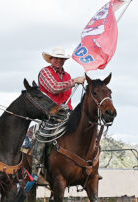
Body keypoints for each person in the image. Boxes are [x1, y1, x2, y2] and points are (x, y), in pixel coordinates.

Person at [31, 47, 85, 185]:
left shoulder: (66, 76)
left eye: (62, 59)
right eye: (57, 58)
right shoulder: (45, 72)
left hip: (67, 112)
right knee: (42, 136)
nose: (59, 61)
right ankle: (36, 171)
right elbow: (54, 87)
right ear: (51, 59)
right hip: (49, 112)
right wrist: (74, 81)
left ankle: (87, 166)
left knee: (85, 130)